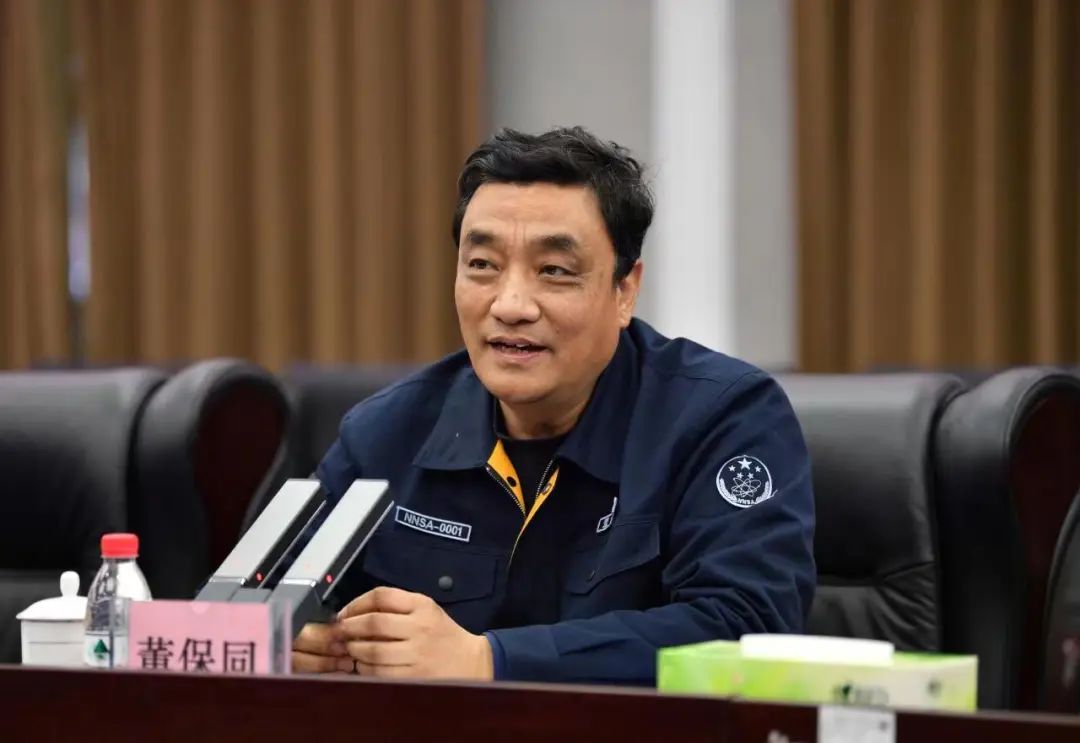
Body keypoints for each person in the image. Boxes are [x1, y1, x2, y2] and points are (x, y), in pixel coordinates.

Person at [293, 126, 815, 684]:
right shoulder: (386, 432)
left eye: (554, 271)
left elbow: (747, 628)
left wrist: (490, 661)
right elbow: (268, 599)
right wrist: (296, 640)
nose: (511, 304)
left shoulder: (721, 418)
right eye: (482, 265)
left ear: (624, 291)